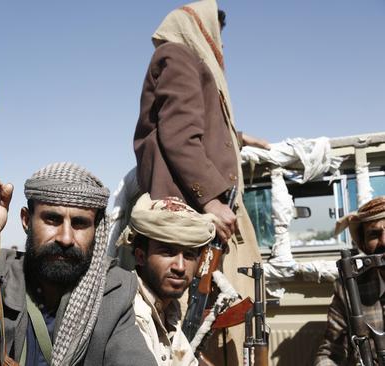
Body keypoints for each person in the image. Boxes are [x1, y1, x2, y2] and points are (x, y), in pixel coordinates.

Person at [0, 162, 157, 365]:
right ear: (26, 220)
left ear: (95, 230)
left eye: (80, 224)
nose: (65, 238)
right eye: (52, 219)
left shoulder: (112, 291)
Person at [132, 0, 268, 362]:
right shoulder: (179, 57)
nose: (219, 46)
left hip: (202, 221)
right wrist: (210, 201)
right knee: (189, 336)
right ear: (202, 28)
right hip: (192, 222)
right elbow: (178, 134)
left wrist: (239, 138)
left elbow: (199, 126)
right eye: (216, 35)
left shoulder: (184, 61)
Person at [118, 193, 217, 365]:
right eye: (167, 252)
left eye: (188, 255)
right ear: (141, 256)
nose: (180, 266)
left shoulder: (169, 309)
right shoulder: (129, 310)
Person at [315, 196, 385, 365]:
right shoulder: (349, 289)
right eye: (374, 234)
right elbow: (330, 353)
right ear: (363, 243)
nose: (384, 241)